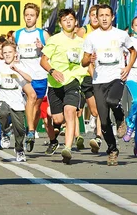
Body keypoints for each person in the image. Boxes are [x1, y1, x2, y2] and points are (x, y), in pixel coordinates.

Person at [82, 4, 136, 166]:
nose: (104, 18)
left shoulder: (121, 35)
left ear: (112, 17)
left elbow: (133, 52)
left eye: (107, 15)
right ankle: (112, 150)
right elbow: (83, 61)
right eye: (101, 15)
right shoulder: (91, 37)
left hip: (117, 77)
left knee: (113, 101)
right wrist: (89, 60)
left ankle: (120, 118)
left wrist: (128, 67)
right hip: (99, 81)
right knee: (103, 121)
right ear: (96, 18)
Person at [40, 9, 85, 164]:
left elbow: (86, 61)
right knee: (58, 118)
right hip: (55, 83)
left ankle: (67, 148)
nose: (68, 22)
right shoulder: (54, 40)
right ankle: (60, 136)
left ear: (75, 22)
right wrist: (52, 71)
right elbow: (43, 61)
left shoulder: (81, 42)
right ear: (60, 23)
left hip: (72, 80)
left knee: (70, 110)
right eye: (65, 19)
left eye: (71, 19)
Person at [0, 41, 33, 162]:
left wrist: (17, 70)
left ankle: (20, 150)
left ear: (15, 53)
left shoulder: (20, 66)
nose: (7, 55)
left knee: (20, 129)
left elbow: (29, 79)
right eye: (4, 52)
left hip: (17, 99)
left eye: (10, 52)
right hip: (3, 96)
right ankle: (5, 132)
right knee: (3, 112)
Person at [14, 3, 48, 153]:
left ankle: (31, 130)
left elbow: (52, 53)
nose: (29, 17)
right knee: (31, 98)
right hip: (24, 75)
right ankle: (30, 131)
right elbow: (12, 52)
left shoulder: (43, 34)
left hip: (40, 75)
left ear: (37, 17)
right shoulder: (17, 34)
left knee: (35, 109)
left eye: (32, 15)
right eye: (27, 15)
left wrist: (43, 48)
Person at [77, 5, 105, 153]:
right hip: (87, 76)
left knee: (101, 108)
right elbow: (81, 55)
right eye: (93, 15)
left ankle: (98, 137)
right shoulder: (84, 31)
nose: (95, 18)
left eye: (98, 15)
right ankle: (90, 132)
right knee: (94, 111)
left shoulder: (106, 32)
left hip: (102, 75)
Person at [122, 16, 137, 156]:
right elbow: (121, 56)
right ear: (132, 27)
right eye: (136, 25)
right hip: (132, 76)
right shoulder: (128, 41)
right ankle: (129, 123)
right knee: (136, 100)